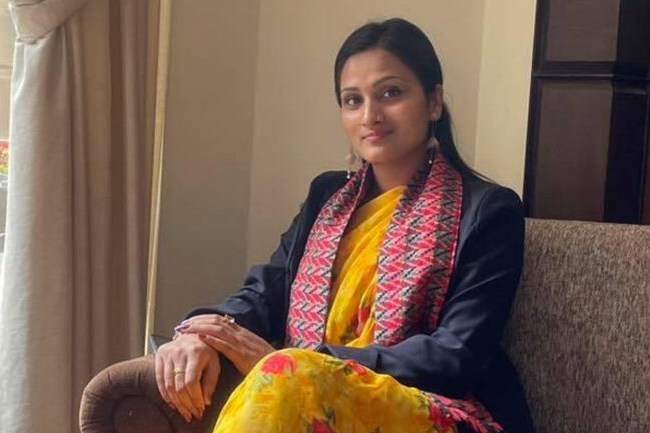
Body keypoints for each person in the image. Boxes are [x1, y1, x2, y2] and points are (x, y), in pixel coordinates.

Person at [154, 17, 533, 433]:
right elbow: (266, 293)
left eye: (391, 93)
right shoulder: (327, 197)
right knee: (285, 376)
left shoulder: (488, 211)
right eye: (353, 100)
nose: (370, 115)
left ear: (434, 102)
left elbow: (454, 355)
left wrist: (315, 364)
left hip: (440, 411)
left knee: (285, 374)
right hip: (306, 391)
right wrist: (202, 333)